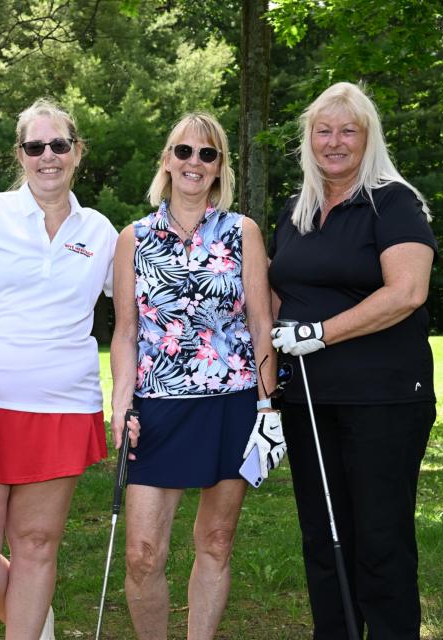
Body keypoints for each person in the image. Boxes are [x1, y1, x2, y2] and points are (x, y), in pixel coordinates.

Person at [0, 98, 117, 640]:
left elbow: (142, 303)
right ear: (21, 154)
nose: (48, 156)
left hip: (62, 407)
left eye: (59, 145)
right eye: (36, 146)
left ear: (77, 152)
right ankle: (38, 627)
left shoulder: (101, 231)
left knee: (36, 545)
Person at [268, 81, 437, 639]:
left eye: (348, 131)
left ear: (368, 138)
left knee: (379, 540)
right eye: (323, 131)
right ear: (308, 139)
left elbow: (407, 291)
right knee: (324, 537)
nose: (334, 142)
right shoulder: (297, 209)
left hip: (383, 399)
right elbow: (277, 290)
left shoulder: (393, 201)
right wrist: (264, 375)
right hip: (309, 401)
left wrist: (320, 333)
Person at [109, 112, 281, 640]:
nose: (194, 163)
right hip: (157, 407)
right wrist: (120, 403)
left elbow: (260, 320)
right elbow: (124, 332)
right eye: (184, 151)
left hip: (232, 402)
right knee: (141, 553)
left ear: (218, 167)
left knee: (216, 540)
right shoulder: (133, 238)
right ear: (167, 160)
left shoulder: (242, 231)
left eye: (207, 154)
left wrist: (268, 406)